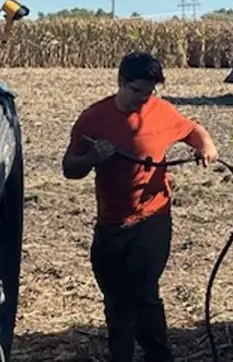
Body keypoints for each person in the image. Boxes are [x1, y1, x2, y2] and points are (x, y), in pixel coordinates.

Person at [62, 52, 219, 362]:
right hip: (111, 222)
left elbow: (192, 130)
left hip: (153, 216)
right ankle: (120, 355)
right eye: (136, 91)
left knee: (144, 291)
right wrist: (94, 158)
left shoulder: (160, 111)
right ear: (120, 82)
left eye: (148, 93)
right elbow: (70, 168)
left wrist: (206, 146)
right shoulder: (93, 118)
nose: (142, 99)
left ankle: (158, 356)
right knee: (116, 298)